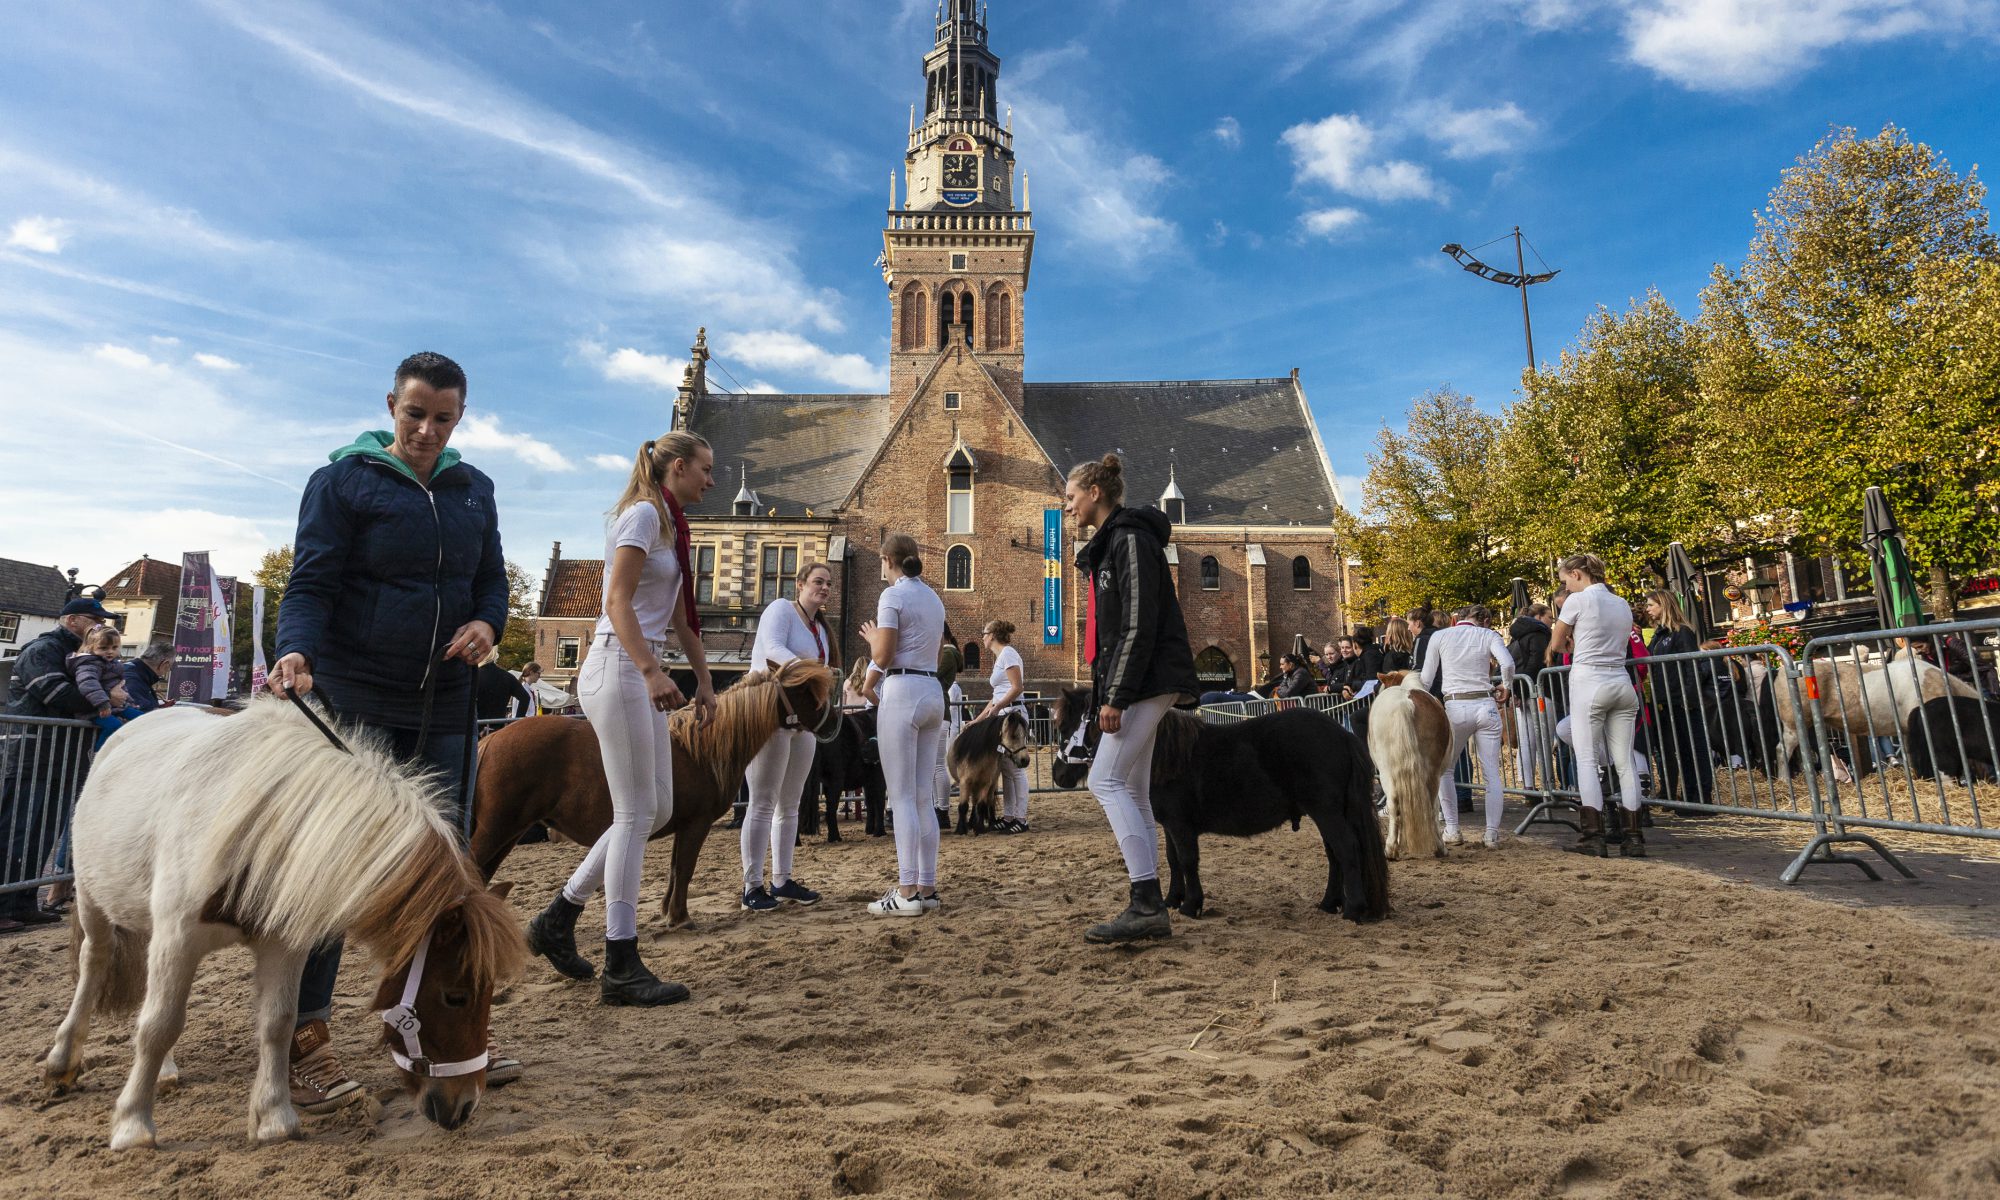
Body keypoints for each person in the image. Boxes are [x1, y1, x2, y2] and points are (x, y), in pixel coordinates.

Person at [269, 351, 511, 1108]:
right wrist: (295, 646)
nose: (427, 430)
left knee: (440, 884)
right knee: (338, 876)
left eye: (442, 418)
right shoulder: (342, 482)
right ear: (391, 406)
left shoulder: (475, 491)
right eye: (415, 414)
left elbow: (492, 581)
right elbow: (310, 580)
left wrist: (486, 622)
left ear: (459, 418)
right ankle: (304, 1036)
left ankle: (432, 1035)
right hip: (356, 702)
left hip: (443, 705)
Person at [524, 431, 718, 1002]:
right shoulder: (640, 519)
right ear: (678, 468)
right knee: (636, 813)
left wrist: (705, 682)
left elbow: (683, 618)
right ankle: (621, 960)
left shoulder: (671, 528)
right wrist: (652, 671)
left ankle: (558, 917)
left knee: (655, 807)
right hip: (618, 665)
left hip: (637, 666)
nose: (712, 479)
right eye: (706, 469)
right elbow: (614, 603)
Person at [1067, 454, 1199, 944]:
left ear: (1095, 492)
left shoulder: (1129, 539)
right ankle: (1148, 898)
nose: (1069, 507)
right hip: (1142, 678)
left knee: (1104, 780)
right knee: (1136, 792)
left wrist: (1115, 696)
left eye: (1071, 497)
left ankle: (1145, 900)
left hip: (1146, 679)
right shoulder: (1114, 544)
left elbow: (1138, 624)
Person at [739, 561, 838, 912]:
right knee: (762, 801)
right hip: (771, 711)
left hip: (803, 719)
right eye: (817, 581)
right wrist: (818, 673)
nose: (824, 588)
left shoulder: (821, 628)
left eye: (827, 583)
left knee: (790, 803)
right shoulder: (780, 609)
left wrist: (822, 679)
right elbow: (772, 651)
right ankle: (751, 884)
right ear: (799, 584)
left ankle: (782, 879)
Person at [860, 534, 947, 916]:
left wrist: (872, 638)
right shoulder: (933, 596)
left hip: (903, 689)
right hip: (932, 689)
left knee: (902, 798)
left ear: (886, 559)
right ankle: (927, 886)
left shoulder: (892, 596)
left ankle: (907, 889)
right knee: (923, 796)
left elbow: (884, 653)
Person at [1546, 554, 1644, 856]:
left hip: (1590, 680)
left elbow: (1556, 643)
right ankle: (1634, 837)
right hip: (1621, 681)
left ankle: (1593, 837)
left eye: (1566, 581)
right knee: (1625, 762)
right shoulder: (1621, 602)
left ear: (1577, 574)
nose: (1567, 587)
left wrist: (1569, 644)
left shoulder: (1578, 601)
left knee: (1587, 760)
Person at [1418, 605, 1515, 847]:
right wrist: (1506, 685)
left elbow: (1427, 678)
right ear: (1484, 620)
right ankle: (1491, 833)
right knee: (1492, 772)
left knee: (1446, 770)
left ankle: (1452, 828)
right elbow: (1508, 663)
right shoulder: (1488, 635)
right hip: (1485, 703)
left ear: (1455, 619)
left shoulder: (1439, 636)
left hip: (1455, 705)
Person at [1643, 591, 1714, 812]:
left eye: (1651, 604)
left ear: (1663, 606)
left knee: (1694, 748)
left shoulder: (1682, 632)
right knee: (1681, 750)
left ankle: (1700, 796)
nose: (1647, 608)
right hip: (1665, 701)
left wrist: (1689, 696)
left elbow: (1691, 665)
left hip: (1682, 699)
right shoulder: (1658, 635)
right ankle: (1689, 794)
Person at [972, 619, 1031, 833]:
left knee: (1015, 770)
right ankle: (1008, 816)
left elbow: (1017, 688)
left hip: (1012, 716)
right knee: (1006, 769)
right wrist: (979, 719)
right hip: (1002, 716)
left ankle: (1021, 819)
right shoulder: (1001, 658)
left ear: (993, 635)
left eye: (984, 632)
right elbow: (995, 696)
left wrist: (997, 709)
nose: (983, 637)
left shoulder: (1008, 654)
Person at [67, 624, 141, 748]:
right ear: (91, 648)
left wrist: (130, 703)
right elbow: (88, 683)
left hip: (113, 706)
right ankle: (98, 752)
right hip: (94, 709)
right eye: (104, 648)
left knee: (142, 719)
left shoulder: (112, 664)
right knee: (114, 726)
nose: (110, 651)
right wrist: (102, 703)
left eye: (114, 647)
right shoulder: (89, 664)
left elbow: (119, 686)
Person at [1508, 603, 1552, 785]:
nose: (1551, 621)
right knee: (1544, 741)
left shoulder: (1515, 638)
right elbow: (1537, 662)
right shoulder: (1539, 635)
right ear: (1539, 617)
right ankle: (1547, 784)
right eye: (1549, 617)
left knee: (1526, 740)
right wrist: (1524, 691)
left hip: (1521, 692)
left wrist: (1515, 692)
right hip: (1539, 691)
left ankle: (1528, 784)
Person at [932, 624, 964, 829]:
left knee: (936, 765)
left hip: (938, 709)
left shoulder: (947, 653)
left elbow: (930, 675)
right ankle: (938, 807)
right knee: (934, 766)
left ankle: (942, 810)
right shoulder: (948, 653)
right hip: (938, 708)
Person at [475, 649, 534, 723]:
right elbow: (525, 697)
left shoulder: (474, 676)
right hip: (499, 728)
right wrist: (516, 722)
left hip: (477, 726)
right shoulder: (507, 676)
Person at [120, 644, 172, 715]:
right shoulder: (133, 680)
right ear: (165, 664)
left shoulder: (136, 672)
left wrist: (158, 706)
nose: (168, 670)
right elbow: (141, 715)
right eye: (170, 667)